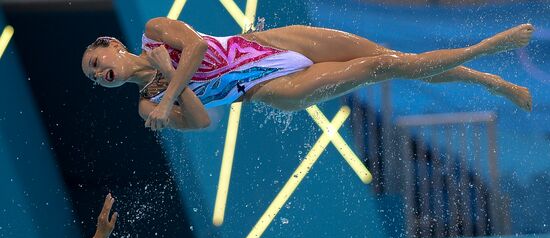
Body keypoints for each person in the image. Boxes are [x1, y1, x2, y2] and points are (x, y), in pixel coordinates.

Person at [81, 17, 534, 131]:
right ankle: (490, 48)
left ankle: (490, 80)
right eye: (94, 77)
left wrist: (169, 86)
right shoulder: (148, 102)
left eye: (98, 61)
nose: (101, 72)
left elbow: (197, 47)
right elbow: (202, 122)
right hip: (271, 88)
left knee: (394, 57)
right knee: (379, 68)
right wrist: (167, 98)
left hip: (274, 42)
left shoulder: (154, 32)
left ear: (115, 47)